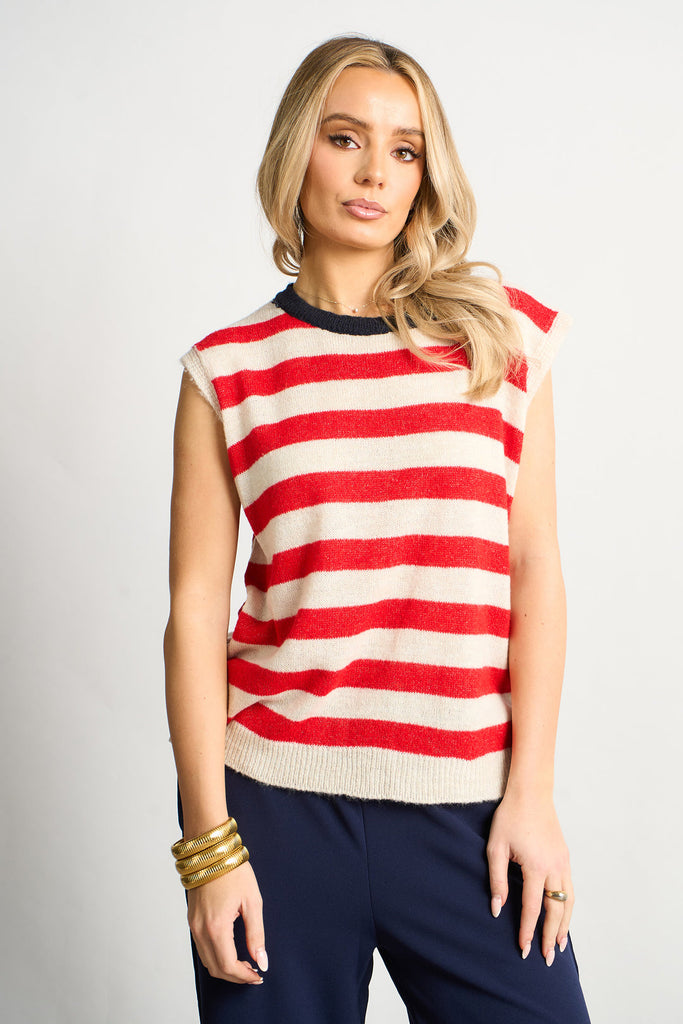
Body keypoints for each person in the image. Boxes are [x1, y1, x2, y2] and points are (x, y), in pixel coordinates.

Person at [163, 33, 592, 1024]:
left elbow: (534, 567)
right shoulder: (228, 370)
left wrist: (529, 793)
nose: (374, 173)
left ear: (426, 175)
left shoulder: (498, 337)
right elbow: (192, 613)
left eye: (404, 150)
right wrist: (209, 848)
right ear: (295, 152)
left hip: (468, 808)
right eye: (345, 138)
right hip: (273, 807)